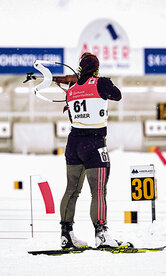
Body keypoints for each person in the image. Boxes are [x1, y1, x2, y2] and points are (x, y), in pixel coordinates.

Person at [59, 52, 122, 249]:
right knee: (98, 191)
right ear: (96, 68)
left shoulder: (72, 89)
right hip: (94, 143)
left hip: (73, 142)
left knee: (71, 190)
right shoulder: (100, 83)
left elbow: (72, 115)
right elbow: (117, 95)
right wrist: (106, 81)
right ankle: (101, 234)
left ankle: (66, 235)